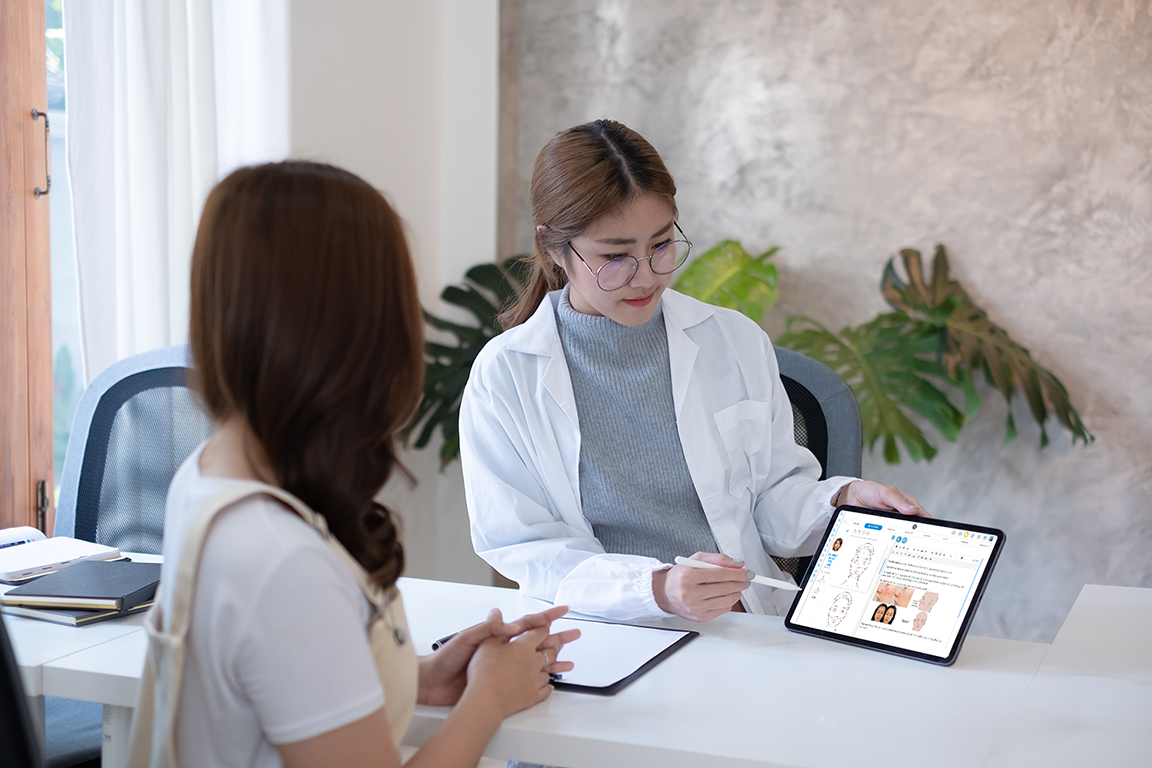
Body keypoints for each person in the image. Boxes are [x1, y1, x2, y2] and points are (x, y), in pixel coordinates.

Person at [158, 161, 579, 768]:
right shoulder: (283, 560)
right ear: (363, 327)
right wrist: (487, 701)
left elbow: (280, 677)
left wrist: (426, 677)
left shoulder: (207, 476)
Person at [460, 119, 927, 624]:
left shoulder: (733, 340)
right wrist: (654, 589)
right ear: (554, 247)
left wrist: (839, 500)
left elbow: (771, 501)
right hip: (601, 629)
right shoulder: (506, 375)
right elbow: (525, 547)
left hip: (741, 623)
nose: (647, 275)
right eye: (615, 257)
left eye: (661, 245)